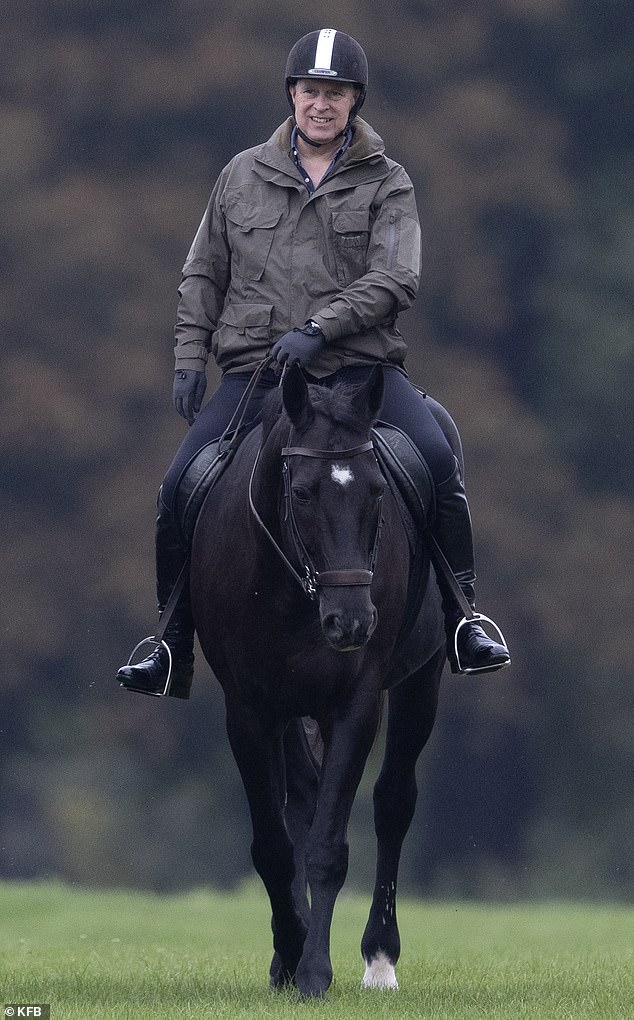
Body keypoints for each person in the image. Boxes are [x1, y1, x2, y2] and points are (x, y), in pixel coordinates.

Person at [117, 28, 510, 699]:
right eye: (310, 91)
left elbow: (395, 279)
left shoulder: (388, 183)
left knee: (438, 464)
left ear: (355, 101)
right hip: (256, 379)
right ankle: (172, 641)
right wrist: (189, 356)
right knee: (179, 486)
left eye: (335, 93)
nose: (320, 104)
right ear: (292, 96)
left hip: (361, 374)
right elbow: (202, 272)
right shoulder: (240, 176)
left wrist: (319, 329)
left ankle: (462, 620)